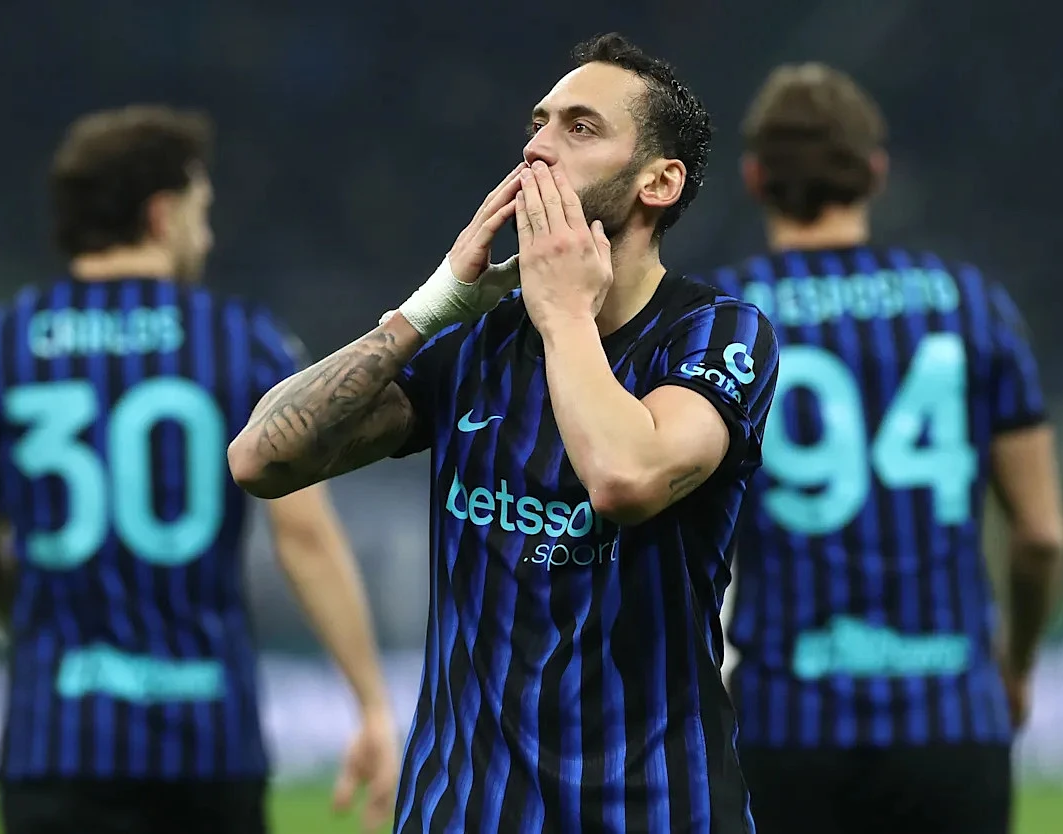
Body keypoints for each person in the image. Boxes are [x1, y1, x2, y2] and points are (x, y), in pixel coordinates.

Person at [229, 32, 779, 834]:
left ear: (659, 182)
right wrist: (428, 308)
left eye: (580, 128)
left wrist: (564, 313)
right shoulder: (475, 338)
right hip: (463, 810)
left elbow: (624, 478)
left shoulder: (716, 332)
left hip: (655, 808)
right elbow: (260, 459)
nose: (538, 147)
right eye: (538, 123)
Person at [0, 105, 400, 834]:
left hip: (55, 741)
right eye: (201, 213)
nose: (206, 237)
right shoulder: (240, 339)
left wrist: (41, 627)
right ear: (162, 215)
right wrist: (372, 703)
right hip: (207, 741)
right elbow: (304, 537)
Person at [706, 64, 1063, 834]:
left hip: (786, 721)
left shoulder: (724, 319)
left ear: (755, 177)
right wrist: (1016, 664)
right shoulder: (971, 305)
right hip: (951, 717)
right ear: (875, 172)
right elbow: (1041, 537)